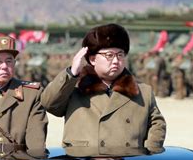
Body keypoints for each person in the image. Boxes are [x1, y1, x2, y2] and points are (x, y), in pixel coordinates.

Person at [41, 23, 166, 151]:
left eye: (120, 55)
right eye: (109, 55)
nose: (116, 61)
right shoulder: (74, 87)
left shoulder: (143, 91)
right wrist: (71, 73)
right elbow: (49, 103)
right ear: (93, 59)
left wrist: (149, 151)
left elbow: (157, 124)